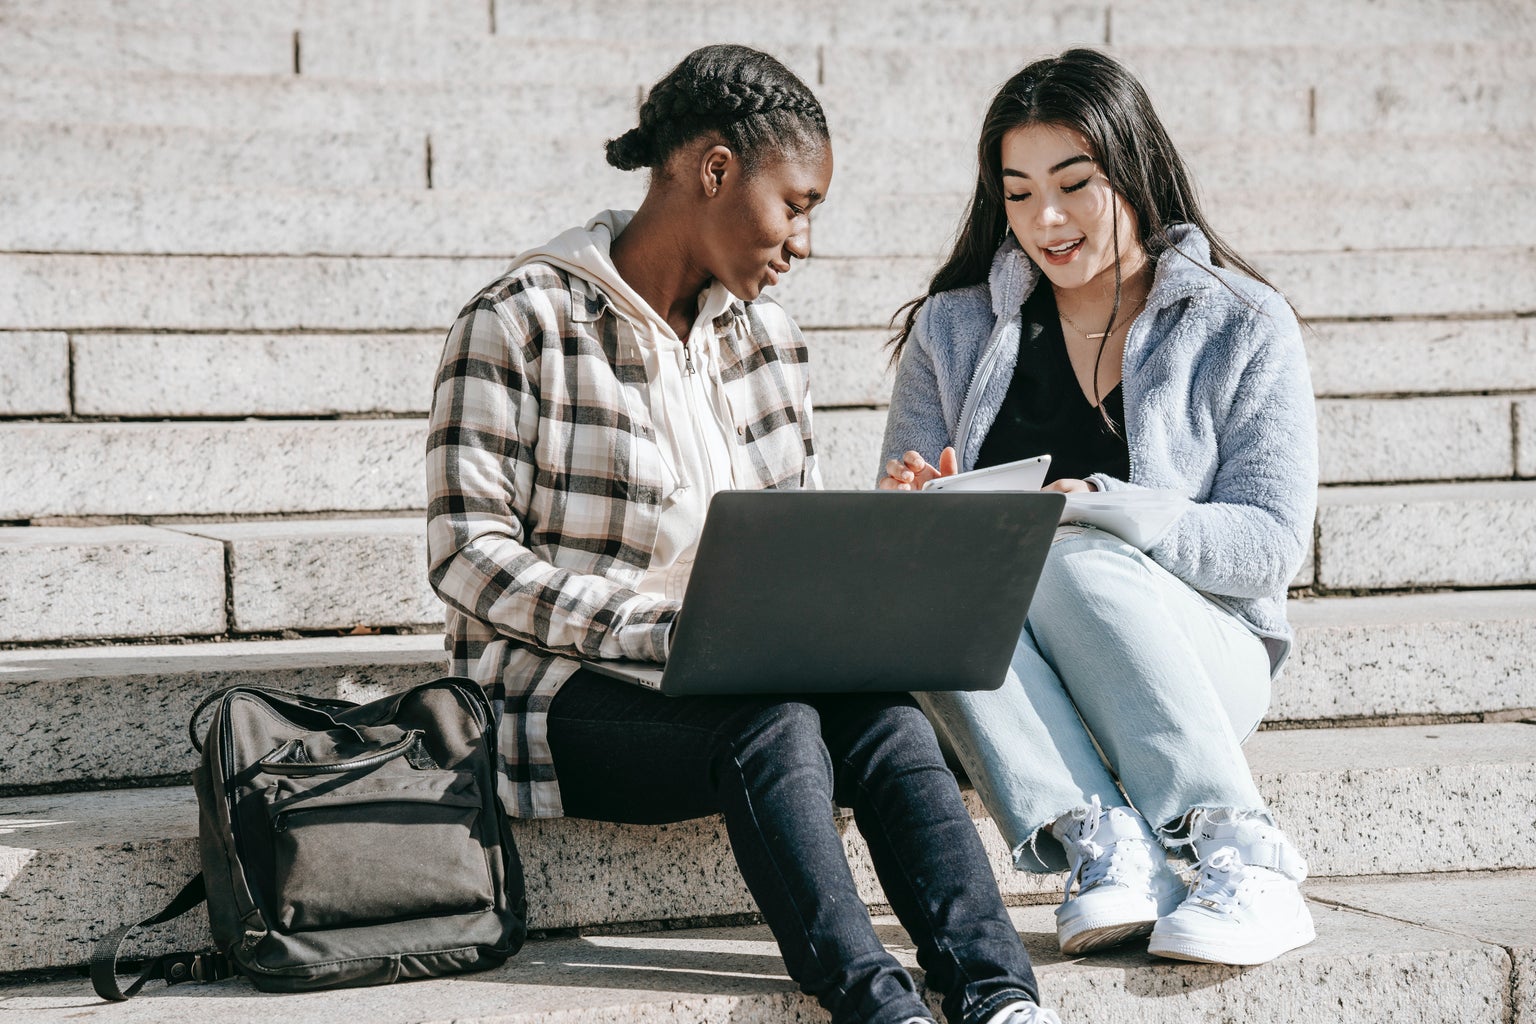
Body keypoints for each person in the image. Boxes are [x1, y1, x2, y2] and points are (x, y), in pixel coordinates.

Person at [426, 44, 1060, 1024]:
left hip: (742, 667)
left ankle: (1000, 995)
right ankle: (876, 1004)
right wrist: (652, 630)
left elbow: (787, 536)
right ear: (714, 170)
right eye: (795, 203)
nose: (803, 240)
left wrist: (888, 534)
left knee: (890, 719)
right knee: (773, 723)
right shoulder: (521, 323)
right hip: (556, 695)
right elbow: (466, 553)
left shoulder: (771, 341)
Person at [877, 48, 1318, 967]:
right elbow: (905, 517)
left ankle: (1244, 849)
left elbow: (1269, 546)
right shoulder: (953, 329)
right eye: (1018, 192)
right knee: (935, 576)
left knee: (1067, 548)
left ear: (1136, 171)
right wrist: (915, 513)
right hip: (1021, 679)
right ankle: (1104, 844)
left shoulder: (1240, 322)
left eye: (1075, 184)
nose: (1046, 219)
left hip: (1196, 658)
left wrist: (1111, 511)